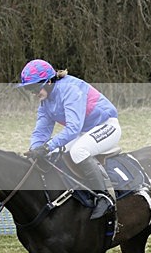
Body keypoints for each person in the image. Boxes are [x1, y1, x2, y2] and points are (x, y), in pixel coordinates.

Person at [17, 59, 120, 219]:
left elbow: (73, 128)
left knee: (78, 151)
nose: (34, 93)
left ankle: (104, 197)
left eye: (36, 87)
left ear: (49, 81)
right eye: (30, 89)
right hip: (84, 132)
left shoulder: (70, 89)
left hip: (107, 126)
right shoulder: (45, 102)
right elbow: (41, 131)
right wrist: (36, 148)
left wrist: (47, 146)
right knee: (55, 153)